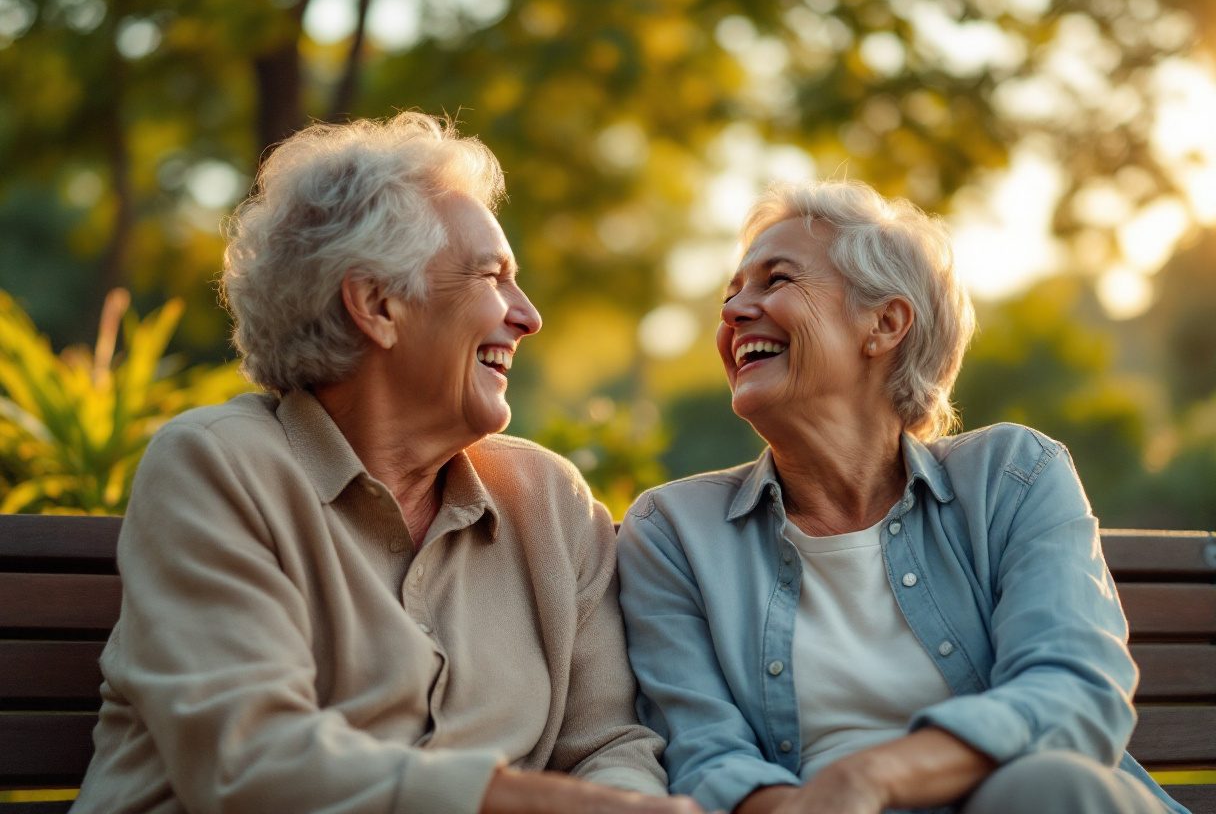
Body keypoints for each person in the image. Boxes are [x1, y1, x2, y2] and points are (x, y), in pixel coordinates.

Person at [72, 112, 702, 814]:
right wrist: (534, 805)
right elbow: (251, 763)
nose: (527, 316)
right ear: (377, 305)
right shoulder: (216, 468)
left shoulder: (548, 500)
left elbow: (608, 746)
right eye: (493, 276)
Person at [617, 180, 1188, 814]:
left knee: (1047, 788)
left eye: (776, 281)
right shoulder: (675, 532)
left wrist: (870, 779)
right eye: (731, 294)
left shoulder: (1012, 476)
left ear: (885, 323)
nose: (733, 312)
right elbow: (706, 755)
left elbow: (1074, 695)